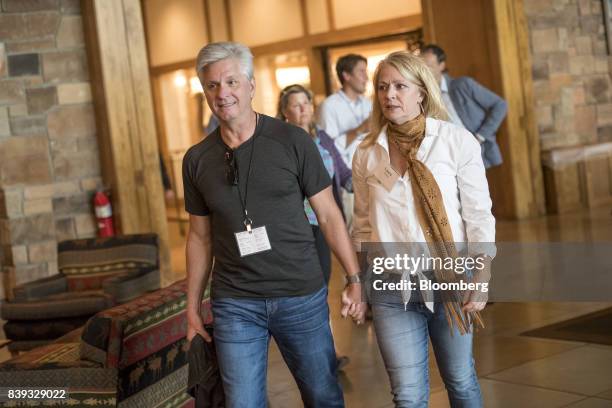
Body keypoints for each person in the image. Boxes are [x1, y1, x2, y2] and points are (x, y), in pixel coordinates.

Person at [183, 42, 363, 408]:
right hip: (235, 302)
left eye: (231, 81)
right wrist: (191, 308)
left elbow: (329, 214)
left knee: (323, 396)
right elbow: (199, 238)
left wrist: (354, 277)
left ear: (250, 85)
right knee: (242, 403)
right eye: (213, 86)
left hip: (299, 294)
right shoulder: (197, 160)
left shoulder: (293, 141)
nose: (223, 93)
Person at [351, 51, 496, 407]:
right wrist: (359, 280)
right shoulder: (367, 152)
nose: (390, 95)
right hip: (391, 285)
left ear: (422, 92)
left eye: (400, 86)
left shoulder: (455, 141)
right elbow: (363, 225)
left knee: (460, 380)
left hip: (449, 276)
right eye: (383, 87)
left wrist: (481, 274)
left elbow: (479, 214)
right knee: (407, 395)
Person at [277, 83, 353, 370]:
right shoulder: (282, 141)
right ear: (285, 112)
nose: (302, 109)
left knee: (320, 287)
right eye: (295, 105)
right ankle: (320, 354)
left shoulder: (322, 137)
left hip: (323, 223)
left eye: (306, 103)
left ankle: (325, 352)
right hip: (296, 226)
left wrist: (366, 186)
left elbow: (343, 172)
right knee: (309, 290)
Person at [420, 44, 507, 168]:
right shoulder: (421, 97)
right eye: (421, 67)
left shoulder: (463, 85)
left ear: (441, 66)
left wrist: (481, 136)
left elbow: (500, 105)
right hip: (446, 159)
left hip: (478, 153)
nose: (425, 71)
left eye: (429, 66)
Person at [318, 54, 372, 228]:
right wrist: (360, 128)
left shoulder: (368, 104)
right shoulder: (329, 106)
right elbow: (328, 147)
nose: (367, 77)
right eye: (361, 72)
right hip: (348, 181)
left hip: (372, 175)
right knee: (356, 237)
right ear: (346, 76)